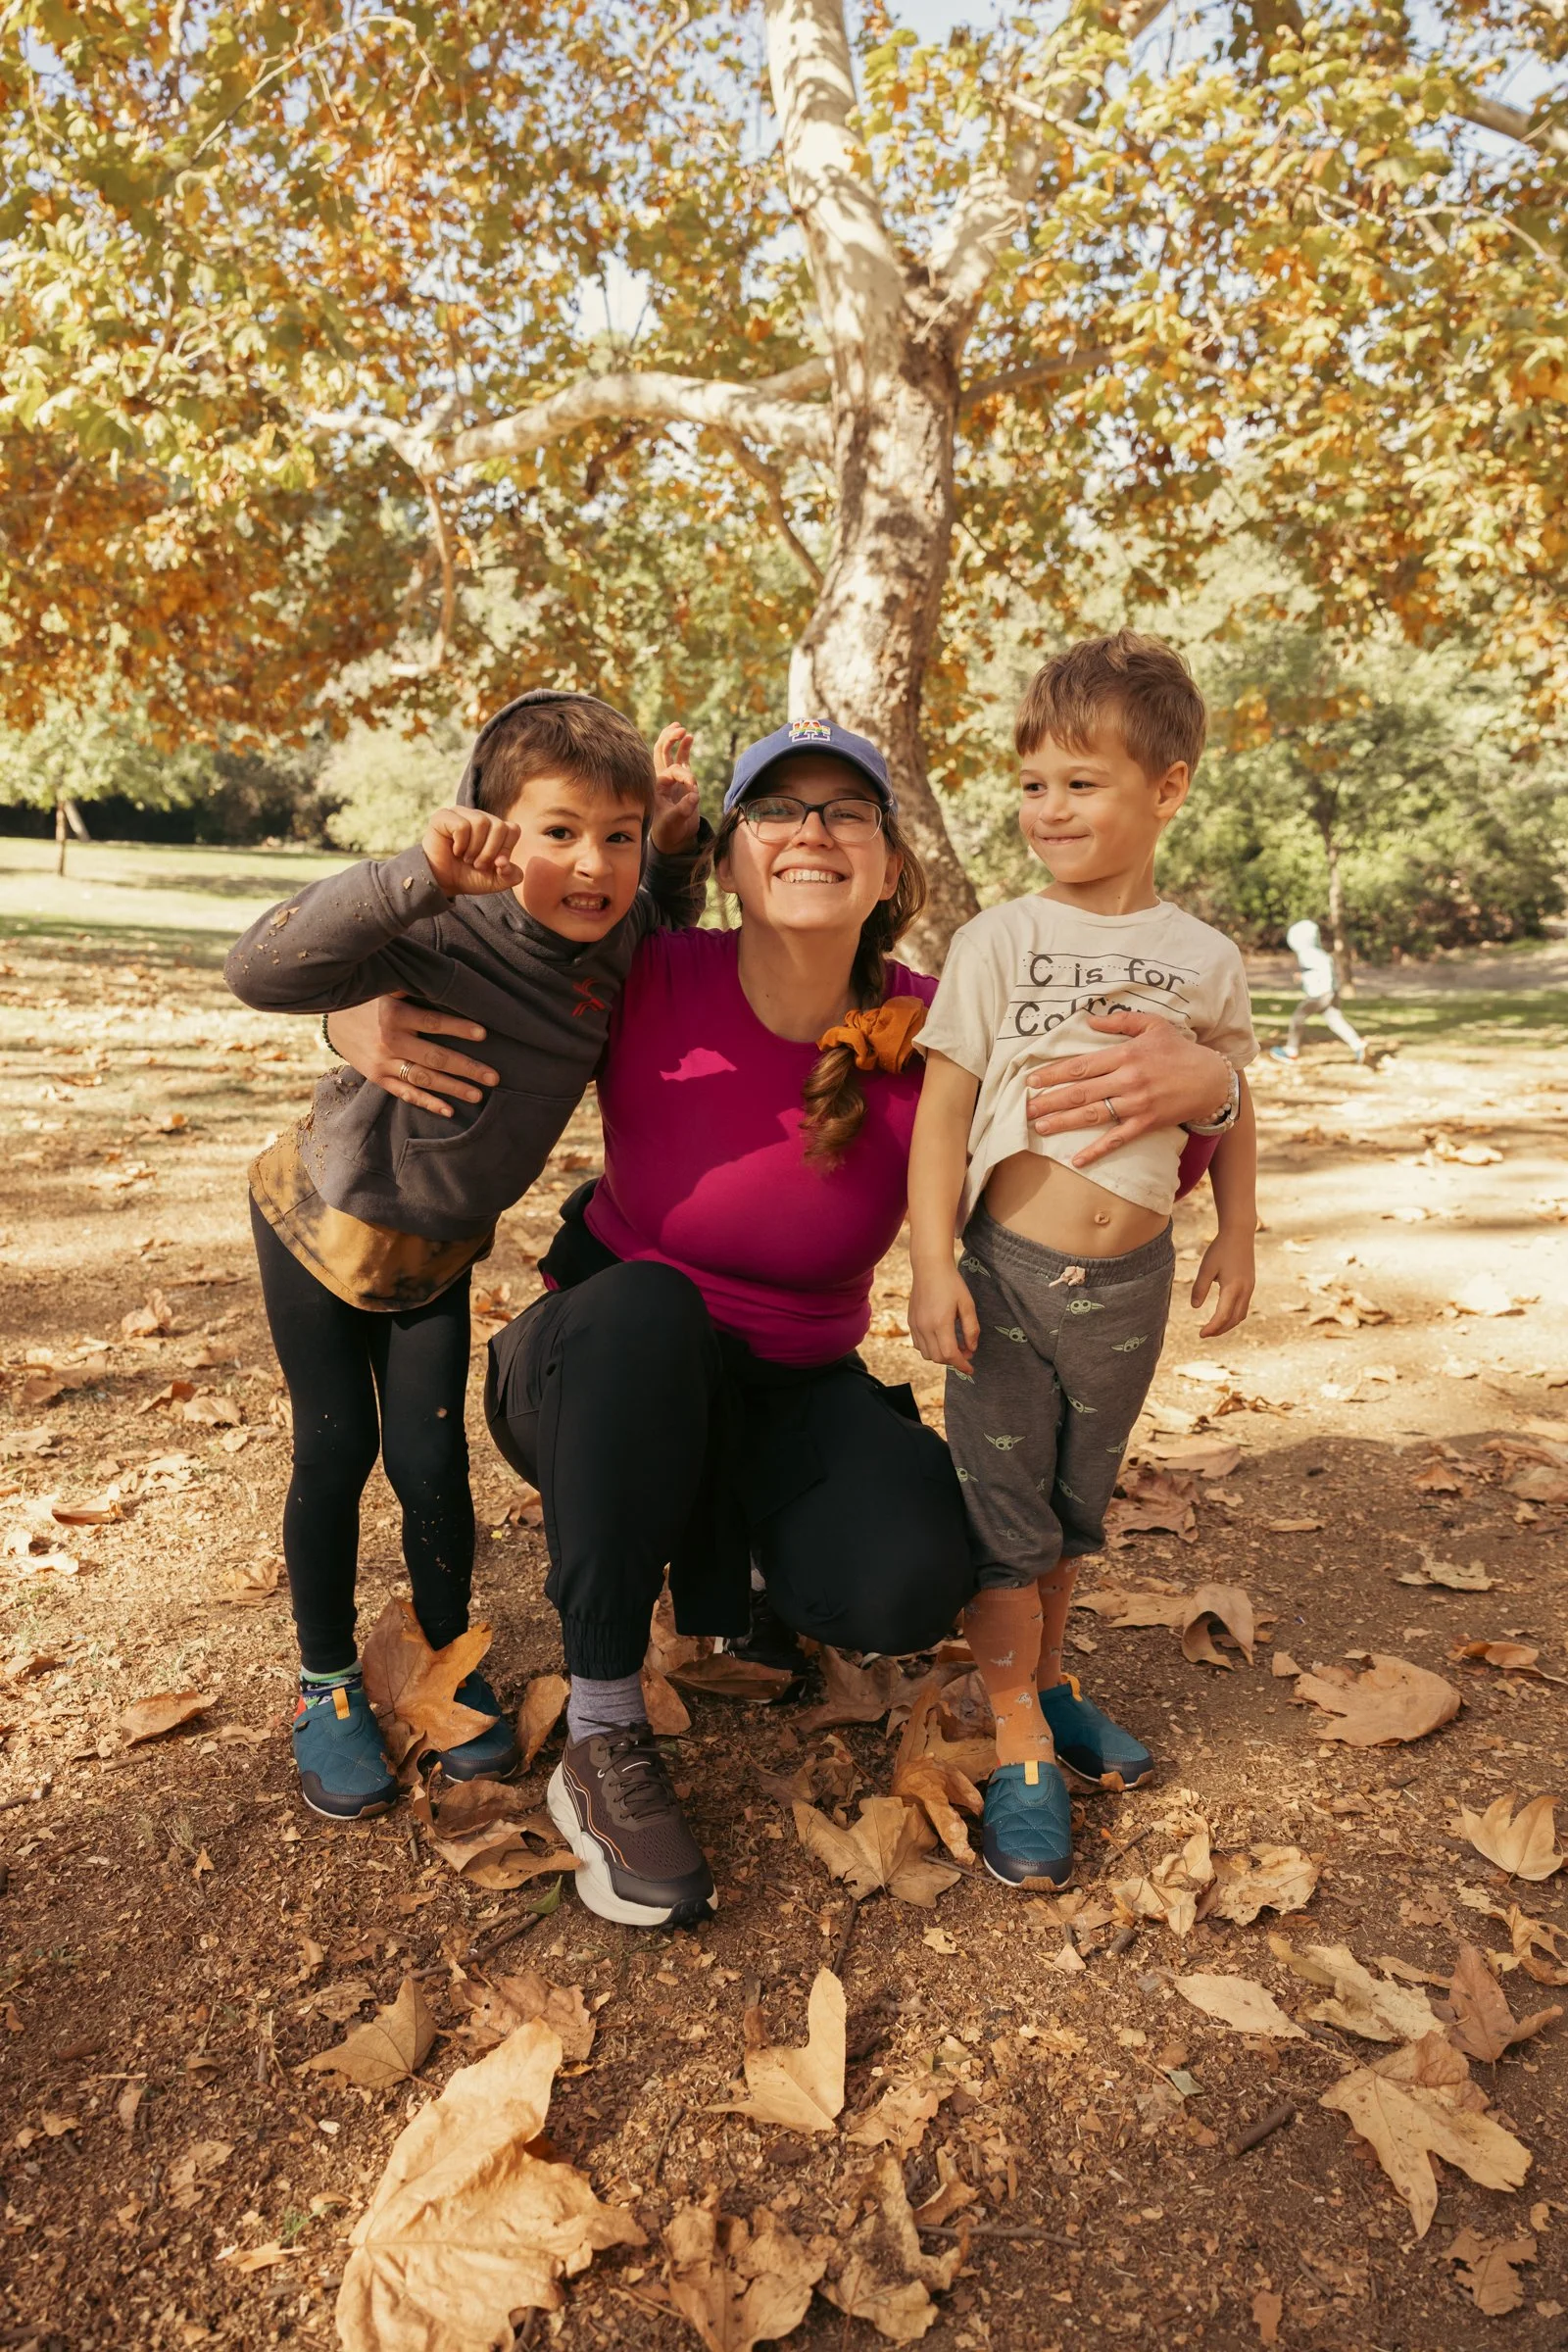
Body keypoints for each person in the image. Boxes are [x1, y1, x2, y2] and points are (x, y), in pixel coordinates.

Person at [324, 718, 1239, 1931]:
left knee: (911, 1579)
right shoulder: (646, 968)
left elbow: (1105, 1159)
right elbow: (460, 959)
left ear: (886, 861)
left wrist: (1216, 1092)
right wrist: (352, 1018)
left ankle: (740, 1567)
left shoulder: (942, 1020)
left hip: (796, 1382)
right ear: (727, 855)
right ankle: (600, 1736)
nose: (810, 829)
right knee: (654, 1308)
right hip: (598, 1374)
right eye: (776, 809)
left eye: (844, 810)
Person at [224, 692, 704, 1822]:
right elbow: (261, 969)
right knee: (336, 1450)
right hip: (315, 1223)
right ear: (494, 831)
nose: (591, 863)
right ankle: (327, 1683)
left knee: (432, 1465)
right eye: (558, 831)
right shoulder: (439, 925)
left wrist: (676, 850)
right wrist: (418, 876)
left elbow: (669, 930)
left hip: (434, 1255)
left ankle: (445, 1655)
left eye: (616, 836)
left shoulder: (622, 937)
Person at [907, 633, 1258, 1889]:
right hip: (1004, 1276)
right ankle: (1015, 1750)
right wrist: (932, 1261)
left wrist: (1239, 1231)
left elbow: (1232, 1099)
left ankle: (1048, 1688)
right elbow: (943, 1113)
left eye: (1081, 782)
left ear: (1166, 789)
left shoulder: (1203, 957)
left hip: (1129, 1288)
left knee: (1067, 1515)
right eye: (1032, 782)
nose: (1047, 809)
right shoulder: (998, 939)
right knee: (1004, 1527)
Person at [1269, 918, 1366, 1063]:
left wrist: (1325, 990)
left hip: (1320, 995)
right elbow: (1315, 971)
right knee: (1335, 1020)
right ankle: (1357, 1045)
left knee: (1298, 1017)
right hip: (1330, 992)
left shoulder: (1312, 954)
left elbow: (1325, 971)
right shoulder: (1315, 953)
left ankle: (1291, 1051)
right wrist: (1303, 976)